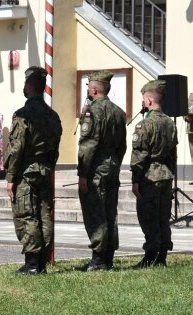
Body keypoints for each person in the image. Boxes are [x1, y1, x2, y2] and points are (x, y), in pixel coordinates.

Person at [5, 67, 62, 275]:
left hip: (26, 172)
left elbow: (16, 147)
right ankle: (41, 261)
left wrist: (10, 176)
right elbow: (55, 147)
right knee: (44, 214)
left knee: (27, 214)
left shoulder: (23, 115)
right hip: (45, 171)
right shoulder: (53, 116)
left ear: (28, 86)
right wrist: (49, 167)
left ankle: (31, 265)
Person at [76, 71, 127, 271]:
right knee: (110, 213)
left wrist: (82, 174)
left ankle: (98, 260)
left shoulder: (93, 111)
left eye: (89, 87)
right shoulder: (118, 111)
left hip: (96, 169)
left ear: (94, 89)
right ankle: (108, 257)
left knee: (95, 212)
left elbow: (88, 145)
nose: (88, 90)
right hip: (112, 166)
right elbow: (122, 145)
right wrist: (114, 163)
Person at [131, 80, 177, 268]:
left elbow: (139, 155)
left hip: (149, 176)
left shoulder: (145, 124)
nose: (142, 102)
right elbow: (172, 155)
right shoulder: (170, 123)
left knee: (148, 217)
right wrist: (170, 174)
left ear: (149, 100)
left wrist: (135, 180)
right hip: (166, 175)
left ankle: (150, 255)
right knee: (163, 217)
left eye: (143, 98)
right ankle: (162, 256)